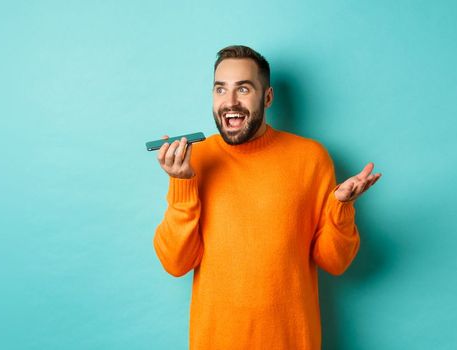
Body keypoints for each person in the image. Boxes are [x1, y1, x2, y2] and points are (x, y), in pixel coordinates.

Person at [152, 45, 382, 349]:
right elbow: (176, 263)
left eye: (243, 89)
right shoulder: (195, 160)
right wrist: (181, 184)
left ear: (268, 97)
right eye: (220, 90)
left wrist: (341, 208)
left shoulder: (311, 158)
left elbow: (334, 262)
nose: (229, 101)